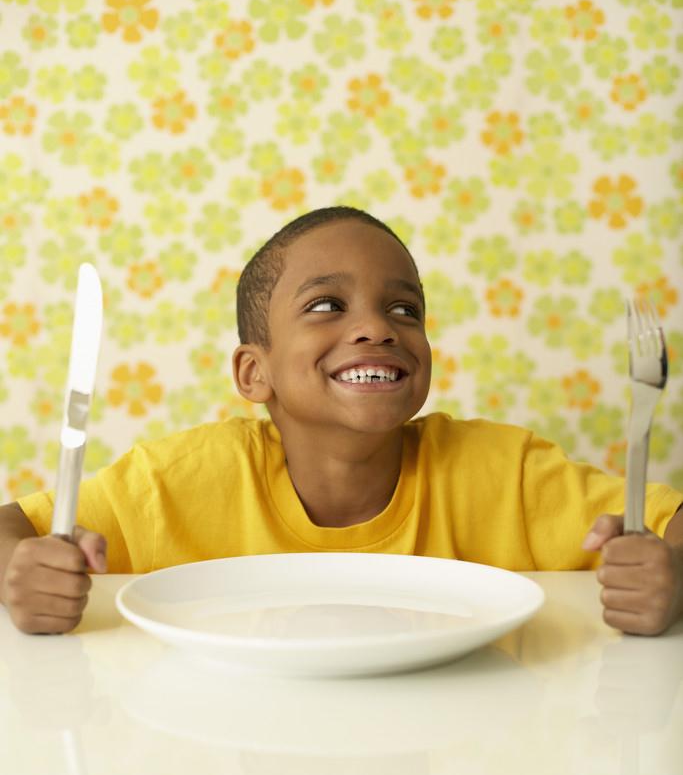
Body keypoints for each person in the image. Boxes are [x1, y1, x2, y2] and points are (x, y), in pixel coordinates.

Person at [0, 206, 681, 636]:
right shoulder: (177, 481)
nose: (375, 329)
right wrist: (22, 575)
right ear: (252, 373)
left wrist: (670, 572)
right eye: (327, 305)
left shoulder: (503, 472)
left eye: (404, 309)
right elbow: (11, 529)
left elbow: (669, 520)